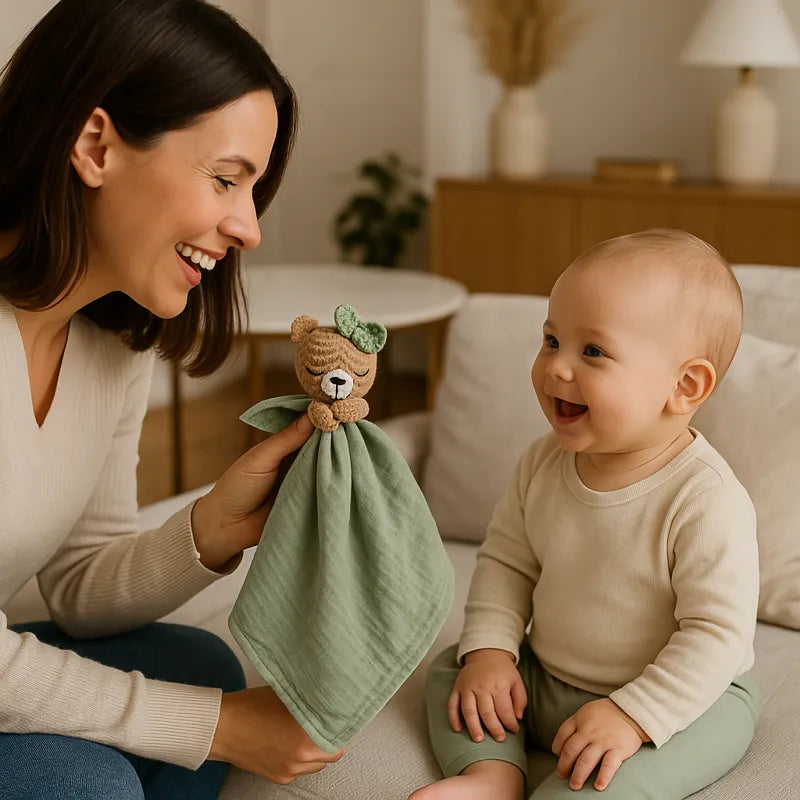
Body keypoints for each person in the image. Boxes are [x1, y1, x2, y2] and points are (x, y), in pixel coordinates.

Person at [0, 1, 343, 797]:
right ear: (95, 146)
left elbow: (81, 586)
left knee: (196, 663)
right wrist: (210, 726)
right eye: (226, 179)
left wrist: (216, 525)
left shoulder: (110, 342)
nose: (248, 228)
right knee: (82, 780)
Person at [412, 229, 759, 799]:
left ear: (684, 385)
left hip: (684, 698)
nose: (556, 368)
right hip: (549, 679)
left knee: (616, 780)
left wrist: (633, 715)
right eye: (552, 340)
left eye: (592, 351)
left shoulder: (706, 499)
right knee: (455, 668)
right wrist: (495, 653)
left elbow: (716, 635)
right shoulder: (542, 461)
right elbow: (506, 561)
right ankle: (493, 773)